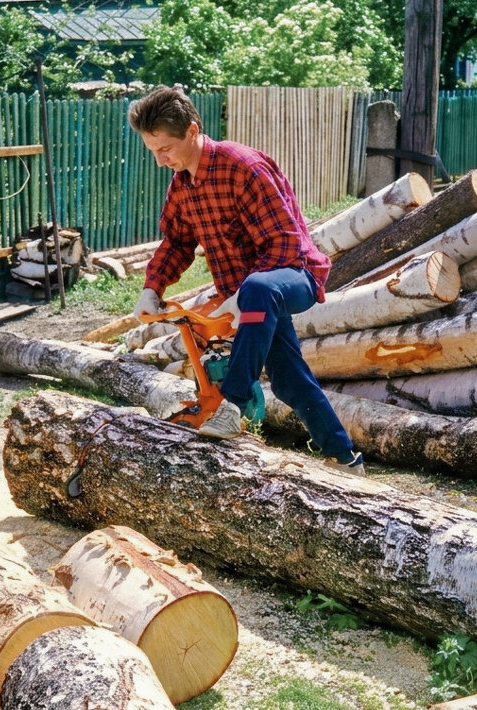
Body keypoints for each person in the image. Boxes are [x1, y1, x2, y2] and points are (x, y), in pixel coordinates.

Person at [127, 86, 364, 475]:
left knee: (258, 288)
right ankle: (346, 459)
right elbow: (177, 243)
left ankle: (231, 405)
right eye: (153, 150)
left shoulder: (244, 167)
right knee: (289, 382)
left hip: (294, 275)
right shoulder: (182, 186)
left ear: (192, 130)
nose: (159, 160)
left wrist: (242, 295)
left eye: (164, 149)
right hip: (252, 296)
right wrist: (152, 287)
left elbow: (286, 244)